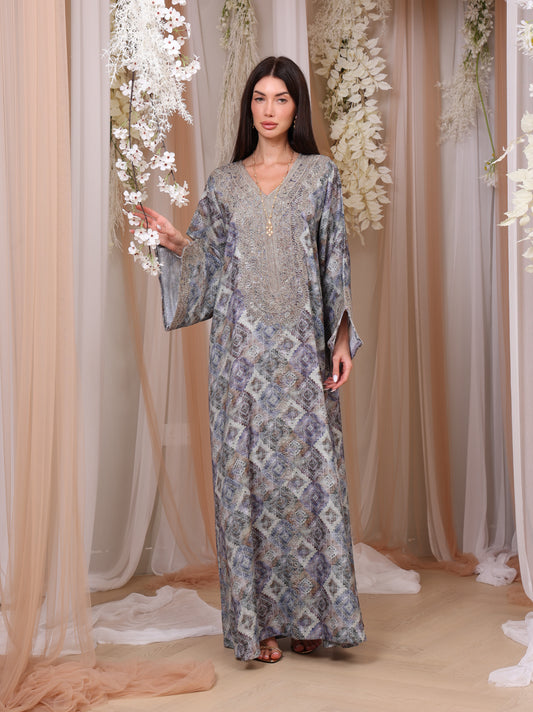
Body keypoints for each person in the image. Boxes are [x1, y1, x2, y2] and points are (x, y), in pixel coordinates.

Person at [138, 56, 365, 664]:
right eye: (259, 99)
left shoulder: (320, 176)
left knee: (309, 481)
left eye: (280, 99)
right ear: (249, 108)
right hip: (239, 363)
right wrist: (176, 242)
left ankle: (313, 617)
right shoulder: (223, 184)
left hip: (301, 358)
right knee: (249, 485)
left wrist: (341, 341)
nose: (268, 110)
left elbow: (335, 261)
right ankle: (257, 625)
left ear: (296, 107)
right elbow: (209, 269)